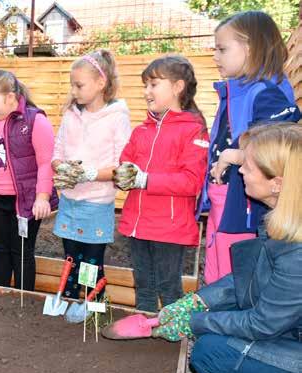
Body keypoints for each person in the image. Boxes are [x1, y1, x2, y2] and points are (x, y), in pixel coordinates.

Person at [149, 122, 302, 373]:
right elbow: (250, 278)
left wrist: (193, 322)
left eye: (249, 166)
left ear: (277, 184)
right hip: (289, 329)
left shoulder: (297, 251)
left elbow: (263, 323)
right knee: (219, 318)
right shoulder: (284, 221)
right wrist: (196, 301)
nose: (240, 170)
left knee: (210, 353)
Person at [199, 11, 301, 284]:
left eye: (222, 49)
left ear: (251, 48)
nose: (215, 57)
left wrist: (237, 154)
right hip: (227, 200)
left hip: (246, 209)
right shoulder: (235, 91)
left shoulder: (268, 93)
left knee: (237, 279)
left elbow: (283, 149)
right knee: (217, 275)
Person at [113, 55, 209, 312]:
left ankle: (173, 339)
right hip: (138, 223)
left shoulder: (194, 130)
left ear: (177, 87)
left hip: (170, 227)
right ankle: (143, 332)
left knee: (168, 288)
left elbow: (191, 182)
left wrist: (145, 179)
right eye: (146, 85)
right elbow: (126, 161)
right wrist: (123, 175)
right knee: (143, 285)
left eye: (153, 84)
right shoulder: (142, 130)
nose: (146, 92)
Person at [0, 69, 58, 291]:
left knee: (22, 252)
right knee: (0, 251)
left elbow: (46, 162)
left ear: (11, 97)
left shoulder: (36, 120)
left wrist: (42, 198)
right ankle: (0, 299)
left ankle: (23, 304)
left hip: (25, 202)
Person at [51, 49, 132, 299]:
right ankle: (73, 299)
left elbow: (122, 167)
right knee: (71, 259)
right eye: (72, 85)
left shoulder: (117, 117)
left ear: (100, 83)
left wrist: (90, 173)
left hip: (97, 204)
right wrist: (61, 167)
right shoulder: (70, 114)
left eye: (79, 85)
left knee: (92, 262)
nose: (74, 91)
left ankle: (94, 304)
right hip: (70, 202)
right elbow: (57, 153)